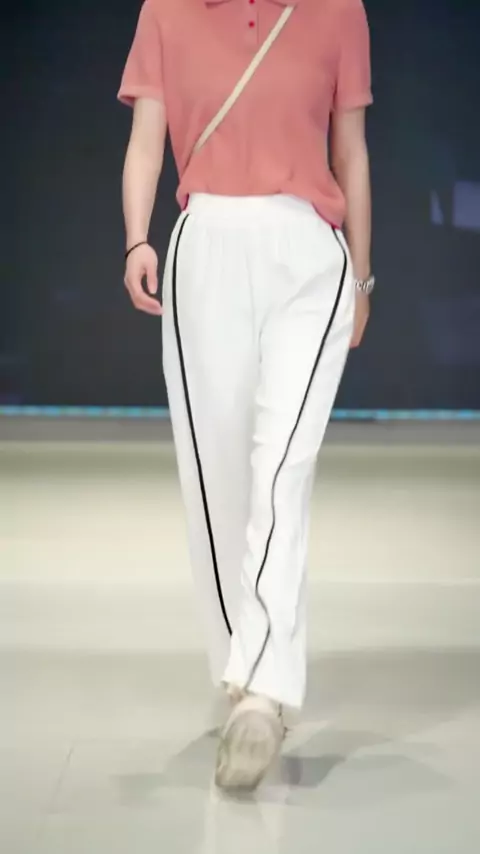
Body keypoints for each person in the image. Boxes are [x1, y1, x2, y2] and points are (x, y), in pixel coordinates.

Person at [118, 0, 374, 792]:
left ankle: (262, 692)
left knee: (280, 470)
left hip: (309, 253)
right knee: (219, 479)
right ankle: (246, 672)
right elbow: (146, 142)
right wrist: (136, 238)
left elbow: (351, 150)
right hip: (207, 247)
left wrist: (363, 275)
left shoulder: (338, 10)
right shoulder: (166, 11)